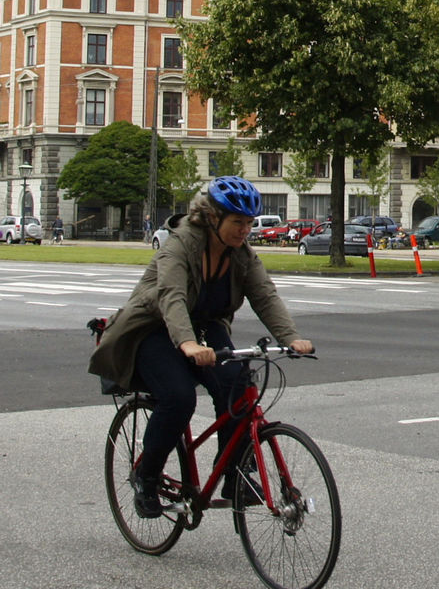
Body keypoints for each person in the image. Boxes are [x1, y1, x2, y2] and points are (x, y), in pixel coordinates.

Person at [89, 176, 312, 518]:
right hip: (155, 328)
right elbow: (171, 297)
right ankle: (146, 476)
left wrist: (290, 337)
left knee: (238, 388)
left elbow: (264, 295)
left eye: (249, 223)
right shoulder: (180, 245)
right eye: (237, 222)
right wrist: (188, 344)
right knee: (179, 397)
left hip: (205, 329)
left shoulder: (241, 254)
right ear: (212, 217)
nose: (244, 231)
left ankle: (233, 475)